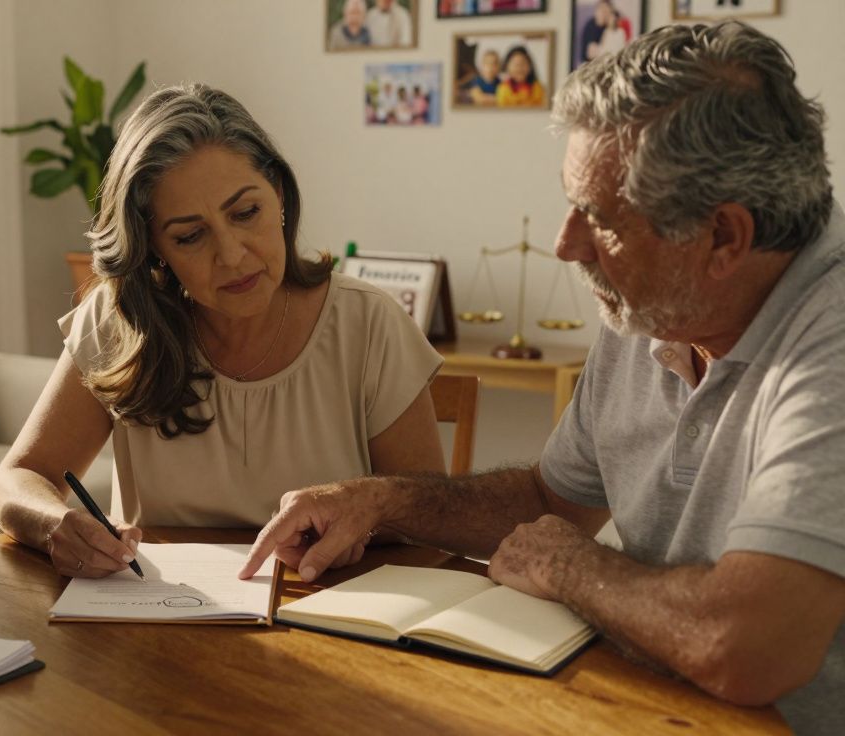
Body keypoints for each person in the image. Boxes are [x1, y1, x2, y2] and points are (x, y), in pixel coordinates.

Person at [240, 21, 843, 735]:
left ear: (723, 238)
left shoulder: (829, 340)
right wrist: (376, 502)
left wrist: (573, 569)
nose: (565, 245)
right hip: (639, 702)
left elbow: (745, 647)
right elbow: (546, 500)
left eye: (598, 217)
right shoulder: (654, 306)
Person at [0, 84, 445, 579]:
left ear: (278, 193)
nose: (232, 255)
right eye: (190, 236)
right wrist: (57, 523)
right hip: (156, 629)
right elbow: (19, 478)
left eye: (246, 213)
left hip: (330, 618)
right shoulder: (120, 322)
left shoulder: (369, 324)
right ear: (155, 247)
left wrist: (365, 517)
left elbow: (432, 513)